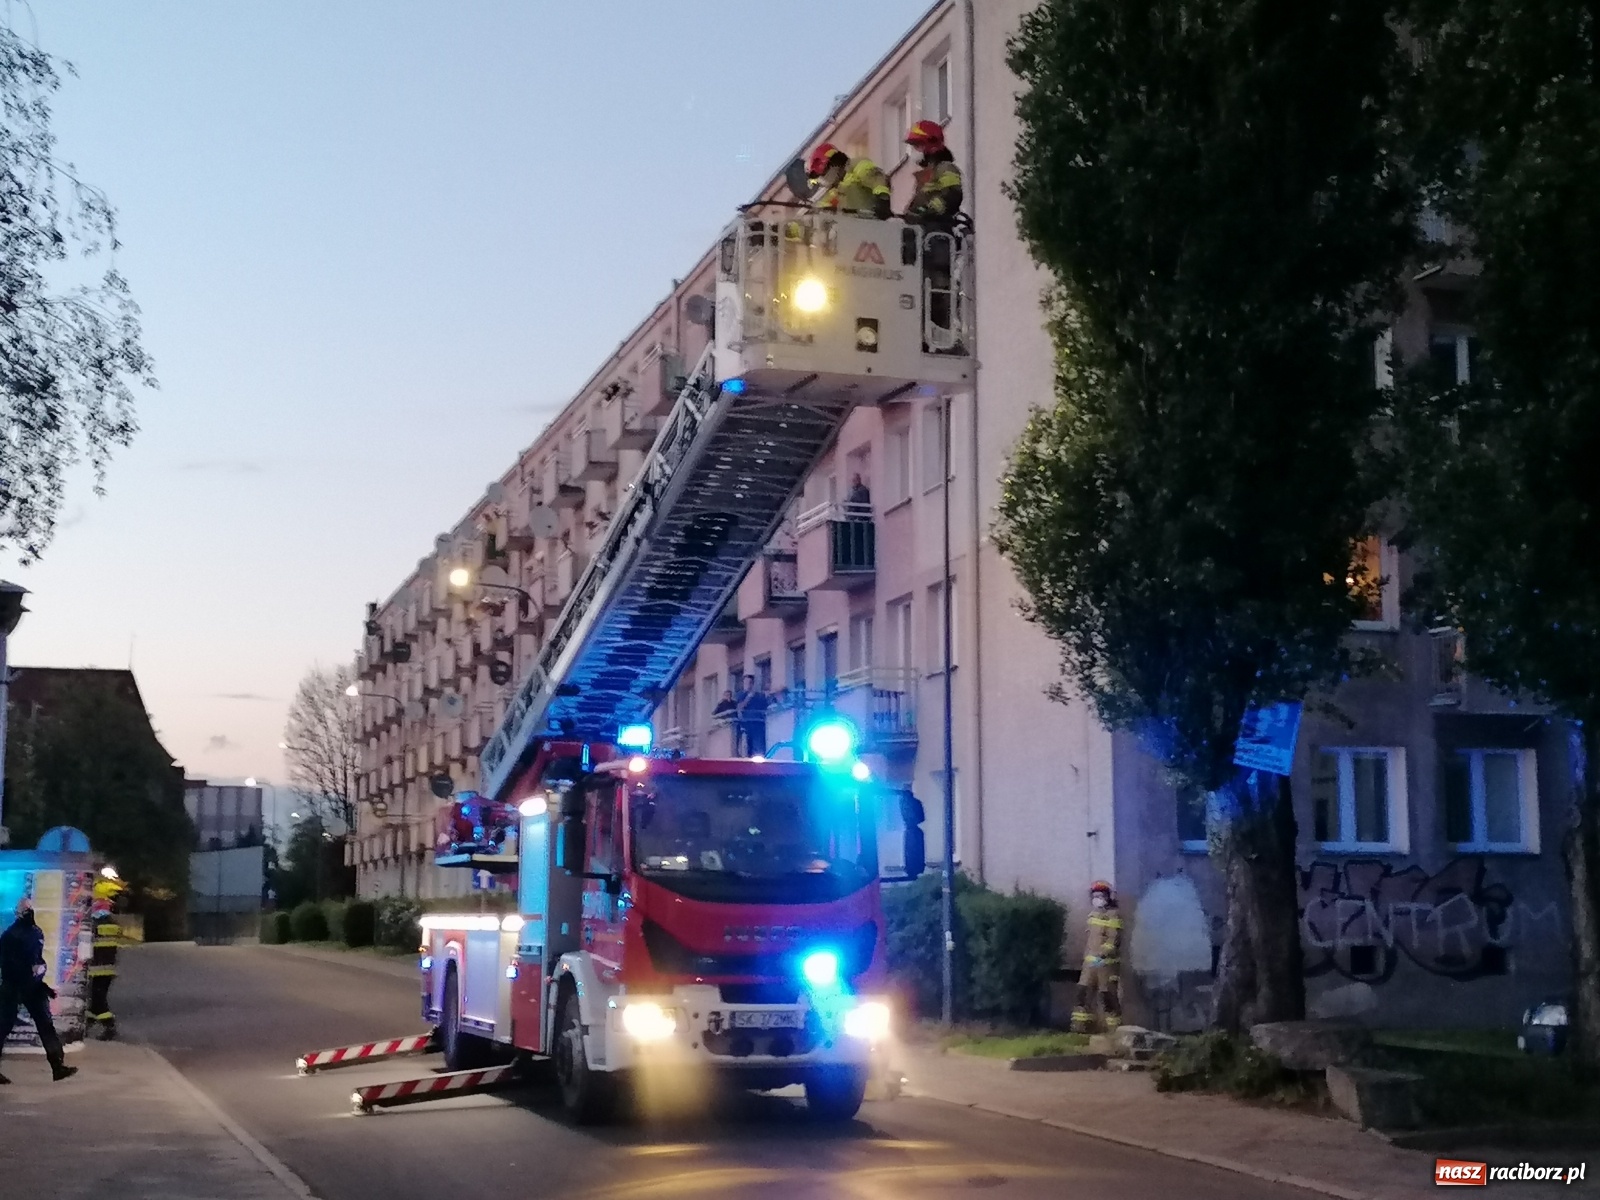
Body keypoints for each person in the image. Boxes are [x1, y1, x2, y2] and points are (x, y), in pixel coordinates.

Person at [0, 898, 77, 1083]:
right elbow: (10, 964)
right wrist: (33, 975)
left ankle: (58, 1066)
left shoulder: (31, 933)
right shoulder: (14, 935)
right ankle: (57, 1066)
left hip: (28, 986)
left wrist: (40, 979)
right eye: (27, 910)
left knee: (44, 1026)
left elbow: (35, 959)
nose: (29, 913)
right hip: (17, 986)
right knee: (5, 1027)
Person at [1070, 881, 1123, 1035]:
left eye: (1101, 896)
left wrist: (1102, 955)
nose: (1098, 899)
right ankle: (1080, 1028)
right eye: (1095, 896)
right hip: (1090, 965)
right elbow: (1091, 939)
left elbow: (1114, 940)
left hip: (1106, 965)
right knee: (1082, 994)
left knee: (1108, 998)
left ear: (1108, 897)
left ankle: (1114, 1032)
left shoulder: (1114, 915)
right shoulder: (1093, 914)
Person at [87, 872, 126, 1040]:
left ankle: (110, 1028)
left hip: (96, 968)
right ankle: (87, 1026)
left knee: (98, 999)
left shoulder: (95, 924)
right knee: (96, 998)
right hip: (107, 968)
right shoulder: (111, 923)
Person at [806, 143, 891, 219]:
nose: (824, 180)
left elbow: (876, 179)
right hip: (856, 231)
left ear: (833, 164)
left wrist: (882, 198)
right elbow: (823, 209)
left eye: (823, 175)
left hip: (875, 225)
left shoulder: (856, 165)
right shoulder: (833, 192)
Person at [736, 674, 769, 758]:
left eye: (749, 683)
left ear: (753, 683)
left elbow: (766, 707)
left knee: (758, 746)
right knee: (748, 746)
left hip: (758, 723)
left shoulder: (759, 695)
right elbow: (740, 708)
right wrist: (748, 698)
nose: (748, 685)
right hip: (747, 723)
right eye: (746, 683)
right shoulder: (741, 695)